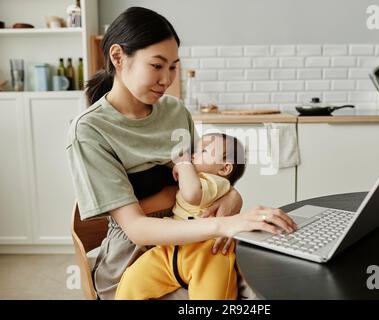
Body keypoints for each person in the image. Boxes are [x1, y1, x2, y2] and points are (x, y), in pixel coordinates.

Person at [66, 6, 297, 300]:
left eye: (173, 66)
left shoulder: (175, 110)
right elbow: (136, 229)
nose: (167, 78)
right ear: (118, 57)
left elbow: (204, 175)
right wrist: (221, 224)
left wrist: (231, 197)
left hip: (197, 242)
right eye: (157, 65)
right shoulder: (89, 131)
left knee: (271, 287)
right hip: (134, 261)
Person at [115, 133, 247, 300]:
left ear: (224, 168)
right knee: (132, 280)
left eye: (203, 151)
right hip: (170, 249)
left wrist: (183, 163)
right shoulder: (195, 177)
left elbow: (192, 193)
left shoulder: (217, 183)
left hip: (207, 254)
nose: (192, 155)